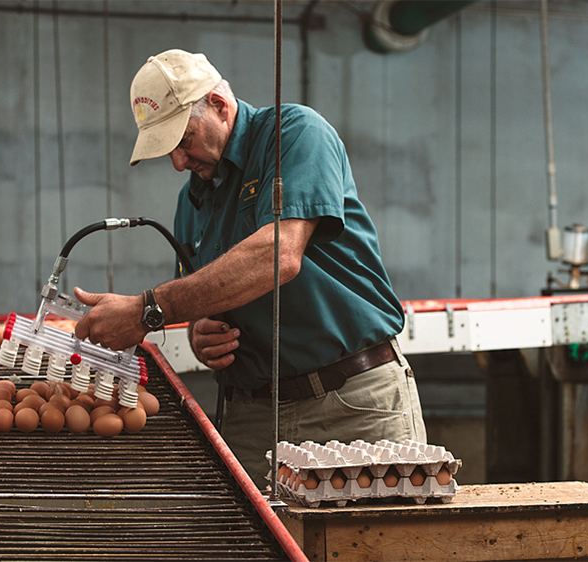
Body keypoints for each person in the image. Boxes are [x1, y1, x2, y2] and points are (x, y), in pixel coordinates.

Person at [73, 49, 426, 486]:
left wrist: (150, 309)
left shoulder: (294, 135)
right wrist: (199, 332)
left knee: (375, 547)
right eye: (168, 150)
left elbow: (278, 255)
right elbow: (205, 295)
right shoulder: (192, 200)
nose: (179, 162)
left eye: (183, 140)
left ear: (219, 106)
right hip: (253, 416)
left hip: (352, 405)